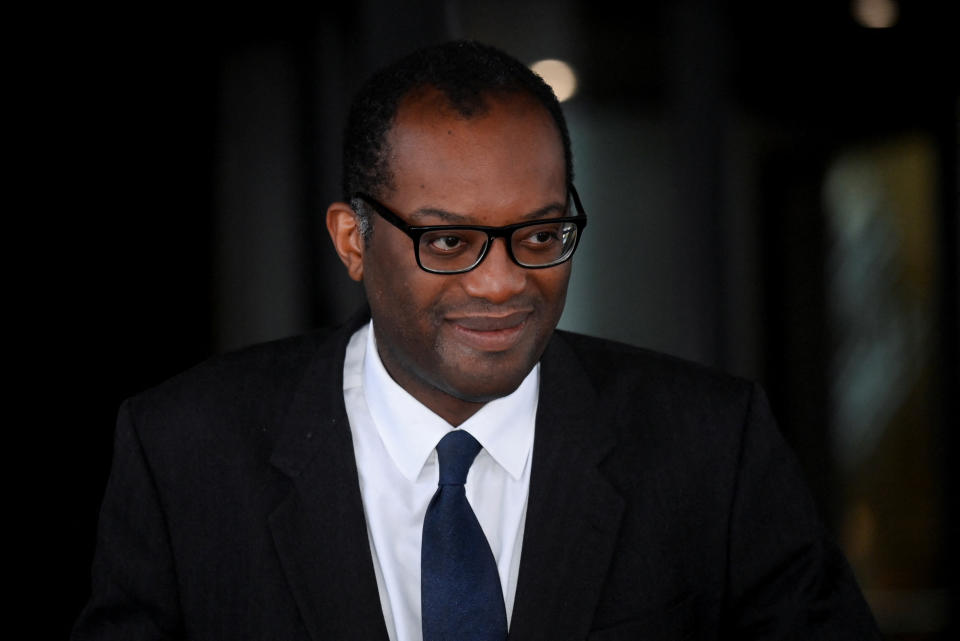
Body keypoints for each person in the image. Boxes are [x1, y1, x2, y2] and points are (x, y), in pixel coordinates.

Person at [73, 40, 880, 640]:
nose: (502, 282)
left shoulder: (711, 447)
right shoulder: (184, 451)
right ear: (352, 240)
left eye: (539, 234)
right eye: (450, 242)